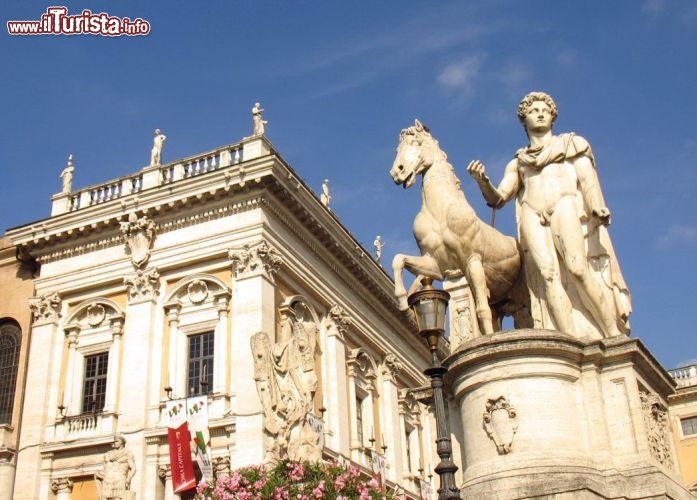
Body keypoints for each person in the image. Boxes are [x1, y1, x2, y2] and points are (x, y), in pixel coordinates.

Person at [467, 91, 631, 339]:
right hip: (533, 213)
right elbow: (498, 198)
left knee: (578, 268)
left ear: (553, 117)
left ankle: (611, 333)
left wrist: (596, 205)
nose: (540, 113)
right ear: (524, 120)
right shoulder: (520, 161)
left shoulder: (571, 144)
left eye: (545, 110)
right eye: (534, 111)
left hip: (564, 204)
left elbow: (587, 179)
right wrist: (482, 181)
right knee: (547, 276)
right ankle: (569, 341)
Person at [96, 435, 136, 500]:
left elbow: (133, 469)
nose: (115, 443)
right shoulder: (109, 453)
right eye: (114, 441)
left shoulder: (127, 453)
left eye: (117, 441)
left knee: (118, 497)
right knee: (105, 497)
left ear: (122, 442)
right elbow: (105, 466)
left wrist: (128, 479)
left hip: (120, 478)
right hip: (108, 478)